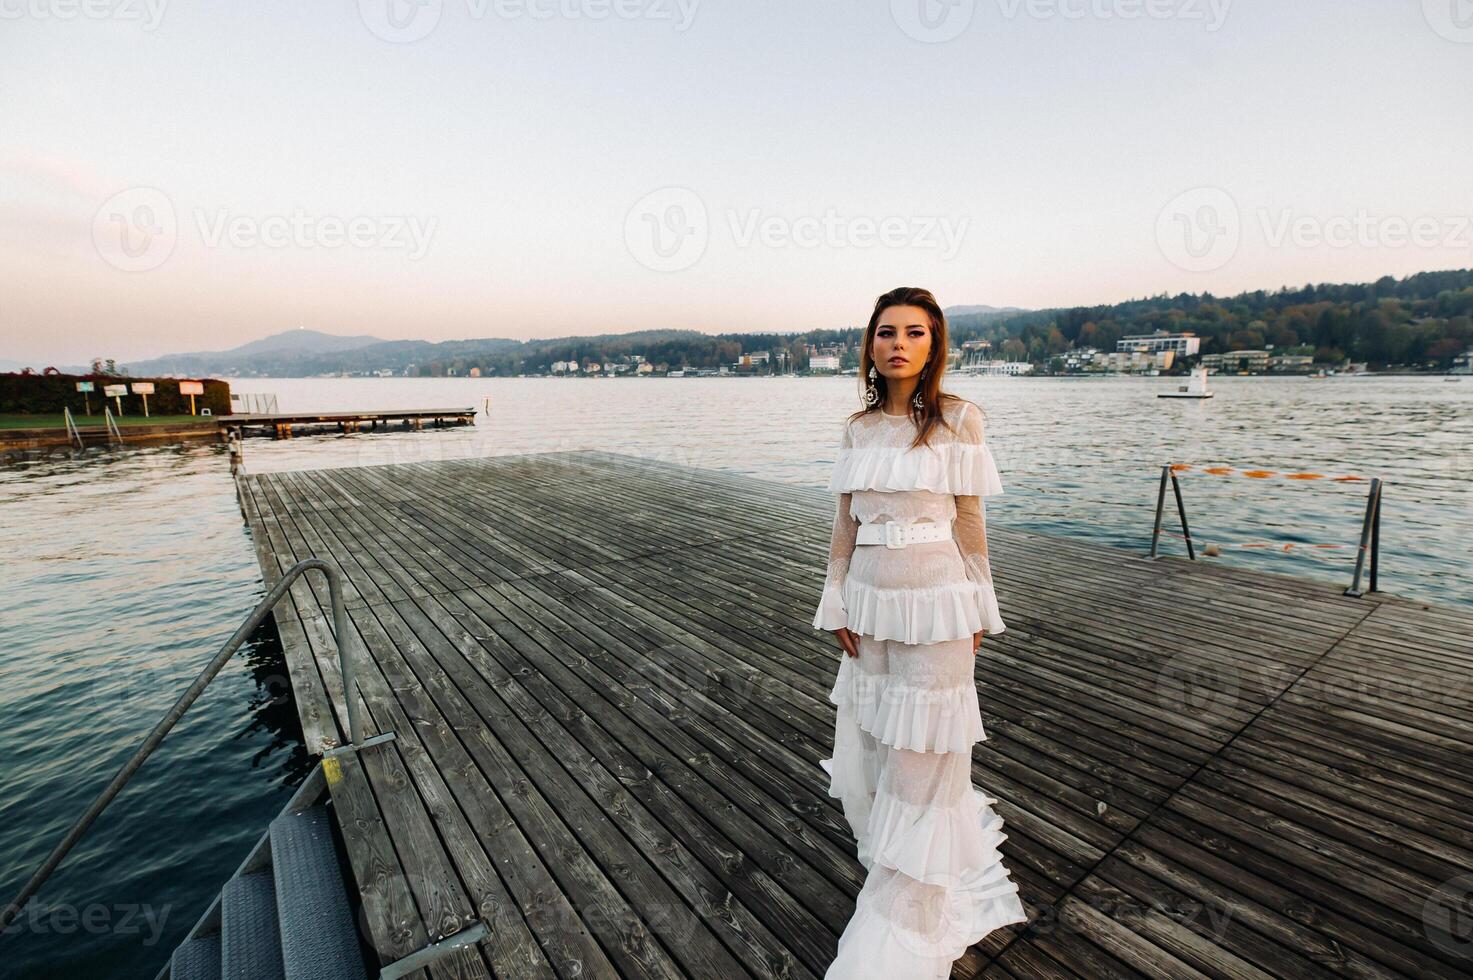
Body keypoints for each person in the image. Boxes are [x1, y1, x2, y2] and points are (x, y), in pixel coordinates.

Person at [813, 287, 1028, 978]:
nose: (897, 343)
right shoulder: (857, 427)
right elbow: (845, 521)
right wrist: (836, 598)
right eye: (885, 332)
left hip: (937, 594)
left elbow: (969, 519)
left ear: (934, 344)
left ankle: (911, 898)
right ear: (869, 344)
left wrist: (978, 601)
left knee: (926, 745)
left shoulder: (960, 419)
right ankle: (894, 854)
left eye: (913, 332)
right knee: (879, 733)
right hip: (871, 599)